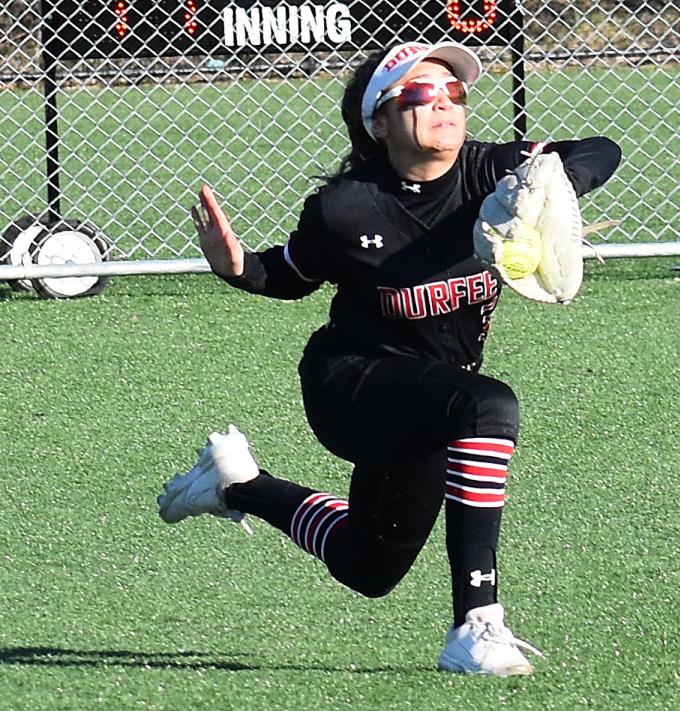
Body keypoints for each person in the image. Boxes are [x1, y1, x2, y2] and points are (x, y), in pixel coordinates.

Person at [158, 40, 621, 677]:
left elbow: (600, 150)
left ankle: (238, 482)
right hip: (350, 383)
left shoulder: (494, 173)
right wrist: (237, 267)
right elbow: (291, 274)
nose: (445, 105)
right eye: (421, 95)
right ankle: (477, 624)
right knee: (491, 404)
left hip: (434, 399)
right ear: (380, 121)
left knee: (368, 566)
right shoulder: (347, 205)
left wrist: (547, 180)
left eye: (454, 94)